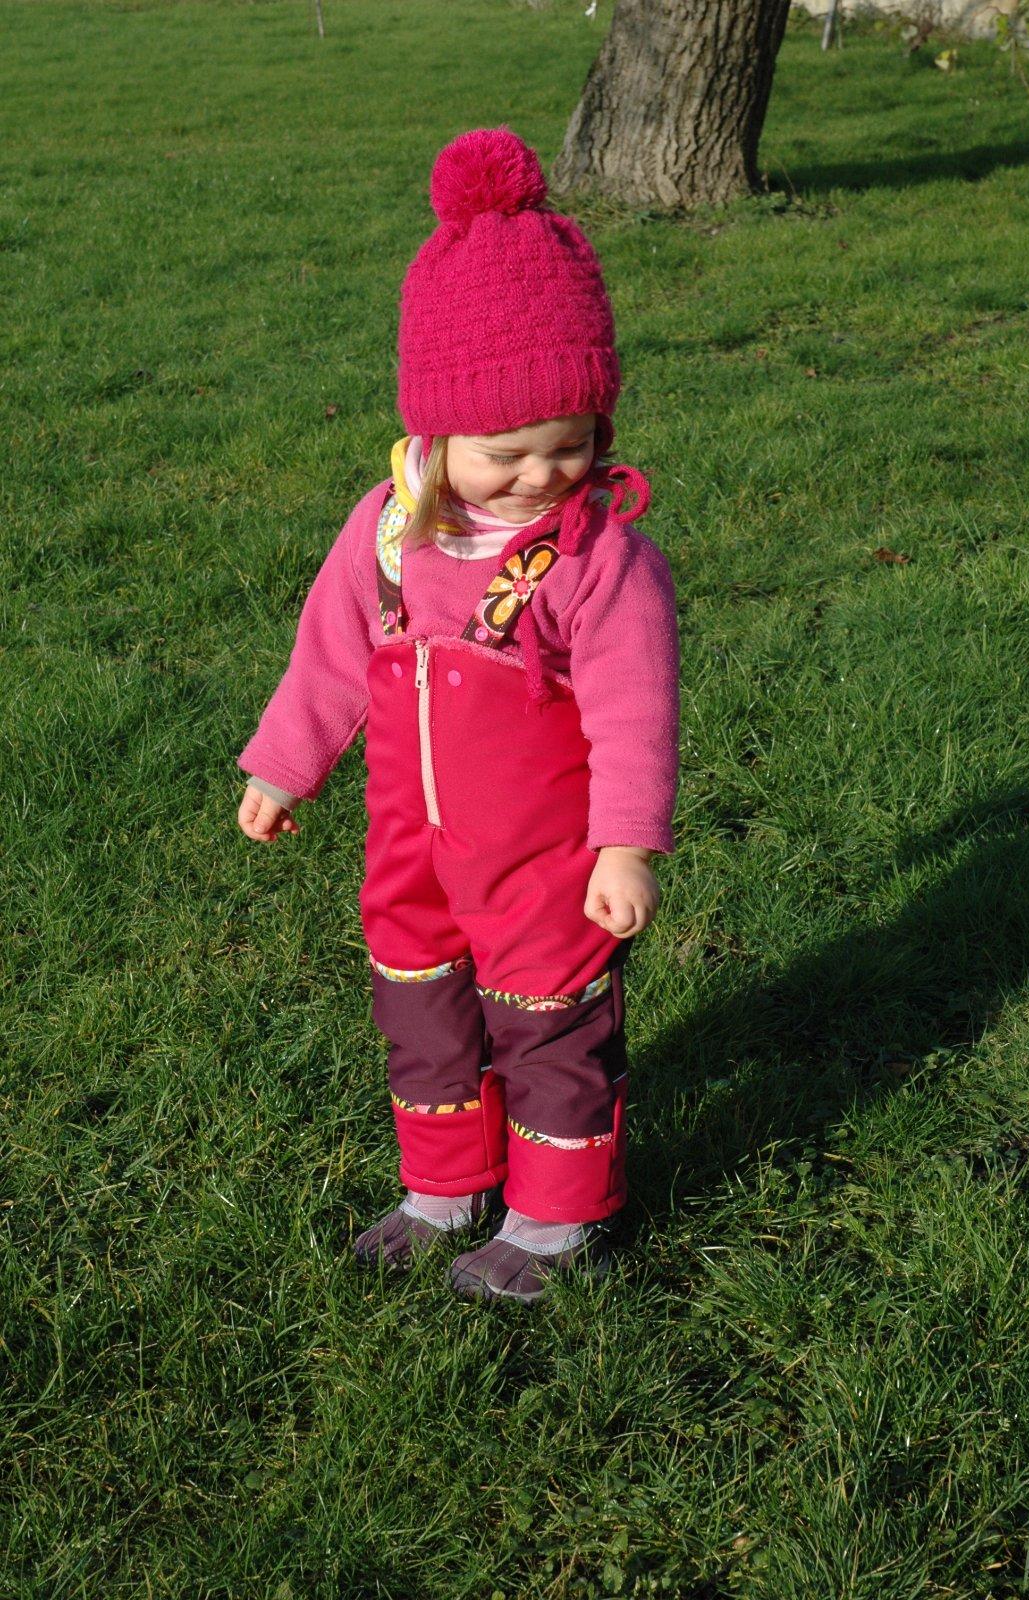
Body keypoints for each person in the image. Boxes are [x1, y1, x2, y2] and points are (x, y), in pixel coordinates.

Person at [236, 127, 680, 1303]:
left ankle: (558, 1217)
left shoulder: (600, 558)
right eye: (505, 452)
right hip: (412, 847)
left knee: (547, 1023)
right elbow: (329, 658)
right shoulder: (389, 531)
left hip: (544, 857)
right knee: (421, 1004)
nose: (540, 475)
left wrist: (625, 845)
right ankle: (445, 1186)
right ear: (433, 435)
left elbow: (635, 714)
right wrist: (282, 767)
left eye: (569, 445)